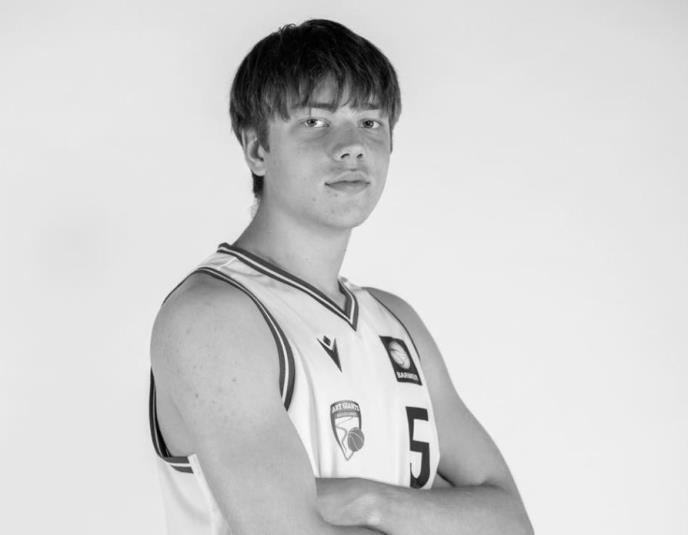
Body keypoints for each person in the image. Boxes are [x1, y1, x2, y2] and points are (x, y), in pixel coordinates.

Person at [149, 19, 533, 535]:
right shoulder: (214, 318)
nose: (352, 145)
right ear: (258, 149)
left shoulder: (396, 321)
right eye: (316, 121)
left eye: (370, 121)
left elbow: (510, 522)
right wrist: (440, 515)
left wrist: (367, 501)